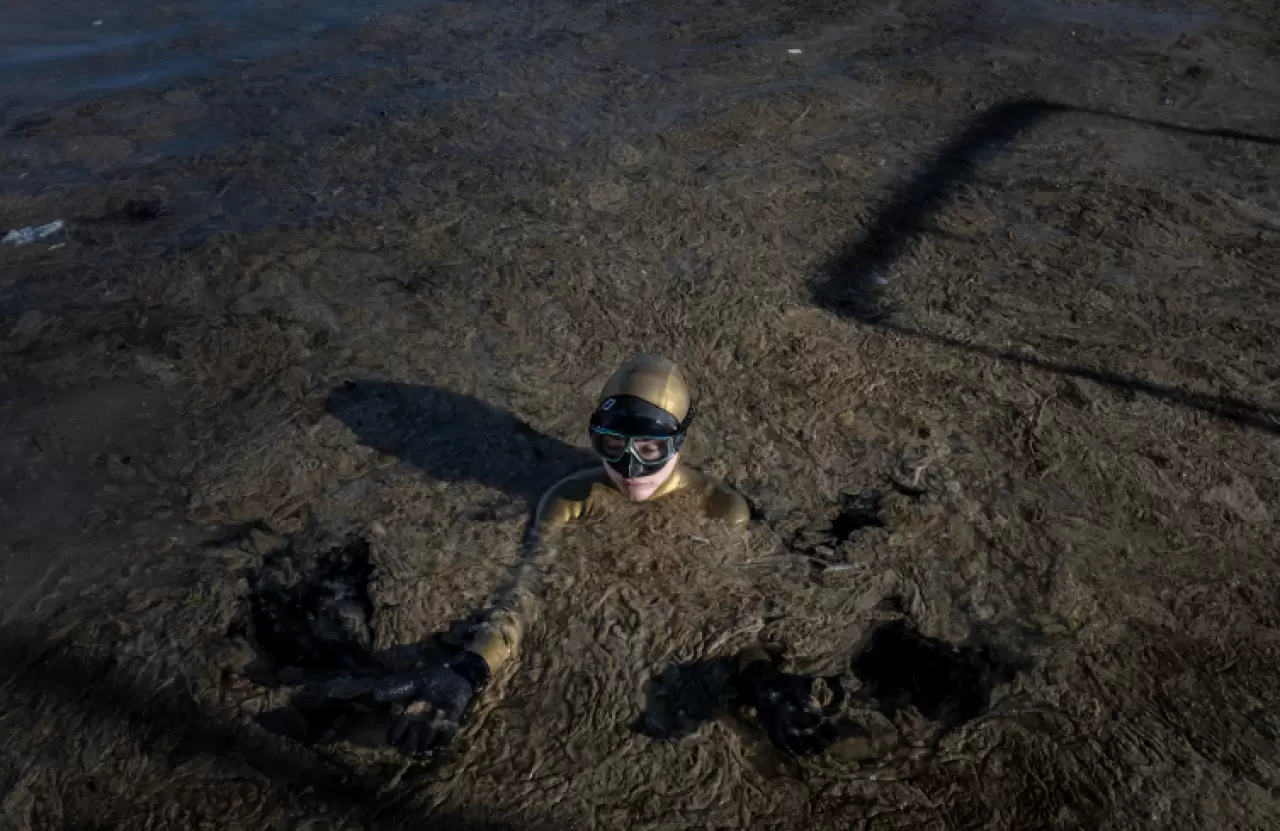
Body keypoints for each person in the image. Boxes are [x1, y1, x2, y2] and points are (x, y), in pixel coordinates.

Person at [369, 355, 840, 758]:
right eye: (613, 445)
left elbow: (734, 614)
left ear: (680, 441)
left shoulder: (722, 508)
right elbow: (524, 594)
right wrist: (471, 668)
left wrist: (763, 678)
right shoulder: (568, 499)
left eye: (651, 448)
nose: (630, 468)